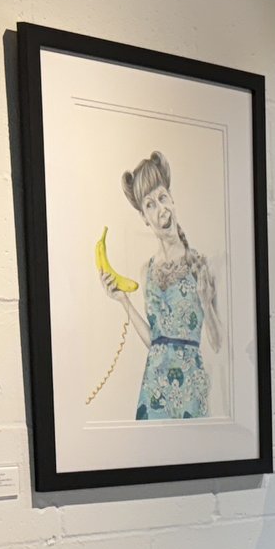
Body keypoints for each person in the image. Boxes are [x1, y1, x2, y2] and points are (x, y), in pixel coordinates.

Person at [100, 151, 218, 420]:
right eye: (150, 204)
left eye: (162, 198)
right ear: (144, 216)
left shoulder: (200, 263)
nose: (160, 208)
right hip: (153, 389)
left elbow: (217, 341)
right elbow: (155, 342)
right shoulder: (147, 271)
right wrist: (123, 301)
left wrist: (207, 303)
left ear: (172, 199)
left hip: (191, 385)